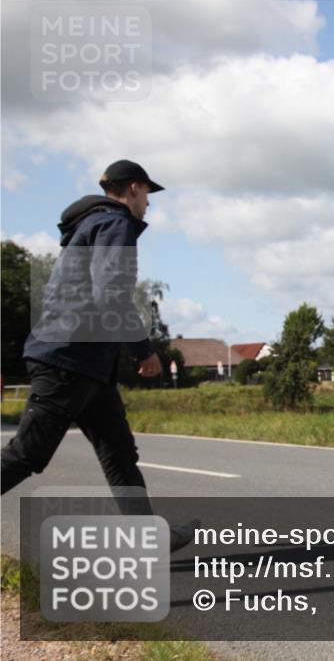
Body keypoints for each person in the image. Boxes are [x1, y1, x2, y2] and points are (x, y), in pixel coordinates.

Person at [0, 160, 198, 552]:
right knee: (28, 454)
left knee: (120, 454)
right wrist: (143, 349)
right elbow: (112, 293)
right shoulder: (115, 223)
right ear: (135, 189)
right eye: (147, 195)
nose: (149, 204)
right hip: (67, 360)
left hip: (89, 366)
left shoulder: (92, 225)